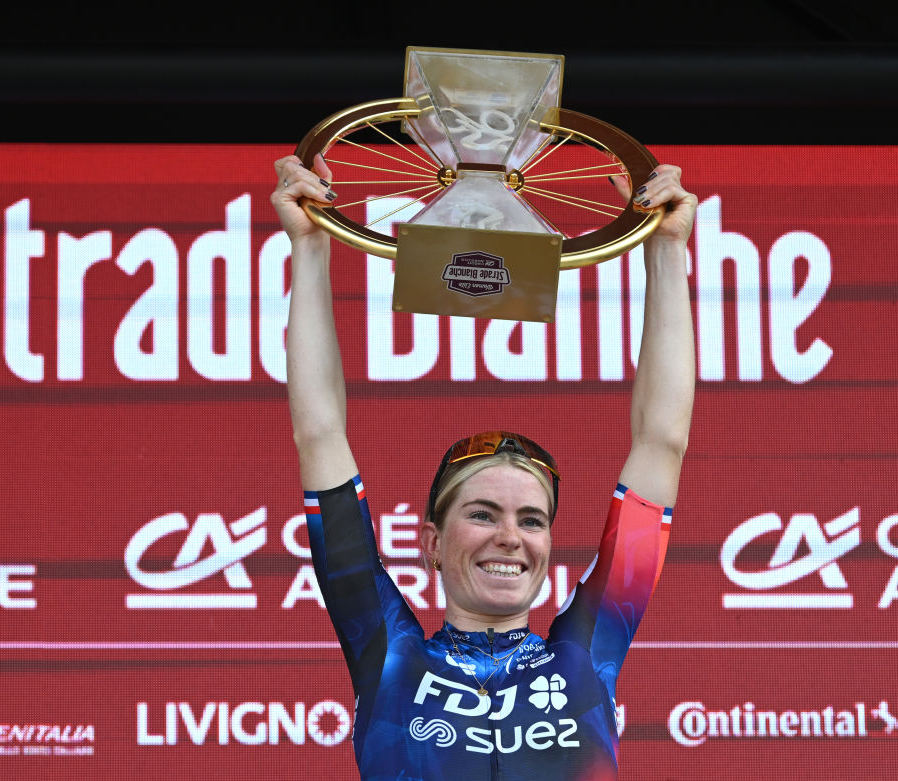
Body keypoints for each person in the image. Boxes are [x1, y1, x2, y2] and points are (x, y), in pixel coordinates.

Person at [272, 152, 697, 780]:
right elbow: (320, 434)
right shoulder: (389, 652)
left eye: (532, 519)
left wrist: (665, 247)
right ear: (433, 544)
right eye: (483, 513)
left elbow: (663, 441)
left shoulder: (587, 650)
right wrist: (310, 246)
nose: (510, 537)